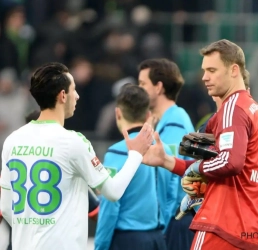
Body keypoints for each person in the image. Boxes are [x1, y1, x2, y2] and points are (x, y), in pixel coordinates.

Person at [0, 62, 154, 250]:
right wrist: (136, 154)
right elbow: (112, 192)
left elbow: (7, 208)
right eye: (74, 90)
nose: (78, 96)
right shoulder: (73, 142)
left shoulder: (12, 140)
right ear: (63, 95)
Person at [143, 39, 258, 250]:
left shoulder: (234, 108)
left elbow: (230, 163)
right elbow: (219, 164)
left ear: (234, 70)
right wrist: (167, 161)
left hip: (225, 226)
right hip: (254, 231)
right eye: (204, 70)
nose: (204, 77)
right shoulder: (253, 109)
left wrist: (195, 167)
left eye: (212, 70)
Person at [94, 83, 172, 250]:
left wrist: (100, 245)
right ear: (148, 115)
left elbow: (110, 205)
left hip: (128, 240)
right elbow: (170, 195)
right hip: (159, 238)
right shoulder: (163, 151)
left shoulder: (117, 152)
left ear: (118, 113)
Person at [138, 58, 195, 250]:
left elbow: (168, 177)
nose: (139, 90)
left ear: (159, 87)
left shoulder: (175, 121)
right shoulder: (165, 121)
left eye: (142, 84)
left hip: (175, 220)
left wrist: (164, 223)